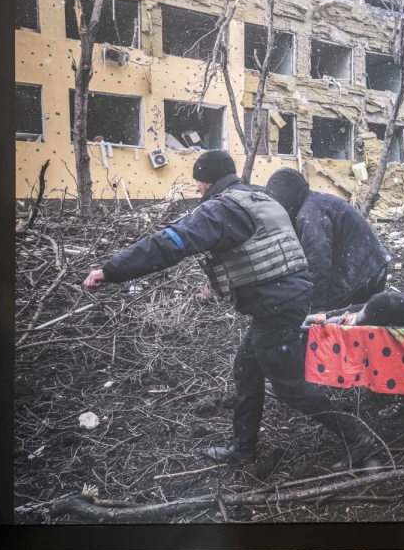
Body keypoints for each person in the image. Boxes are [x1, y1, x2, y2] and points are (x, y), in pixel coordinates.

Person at [83, 150, 379, 469]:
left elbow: (170, 242)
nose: (197, 189)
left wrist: (112, 270)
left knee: (288, 384)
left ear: (207, 181)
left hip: (277, 302)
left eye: (198, 183)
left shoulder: (222, 209)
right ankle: (243, 451)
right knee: (247, 368)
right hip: (285, 296)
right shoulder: (256, 196)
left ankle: (356, 436)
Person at [264, 168, 391, 315]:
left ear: (287, 203)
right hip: (371, 266)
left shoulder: (310, 215)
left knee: (336, 320)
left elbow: (318, 264)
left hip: (361, 273)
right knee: (358, 321)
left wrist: (317, 310)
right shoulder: (315, 202)